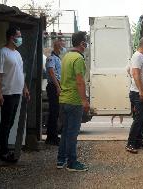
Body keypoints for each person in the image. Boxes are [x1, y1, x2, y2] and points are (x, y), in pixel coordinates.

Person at [0, 26, 30, 162]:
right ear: (11, 37)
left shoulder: (17, 53)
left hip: (16, 93)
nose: (20, 38)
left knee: (10, 123)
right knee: (5, 123)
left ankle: (6, 149)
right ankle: (3, 152)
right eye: (19, 36)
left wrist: (25, 88)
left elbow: (20, 73)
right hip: (7, 93)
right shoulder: (3, 52)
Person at [57, 31, 90, 171]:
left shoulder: (66, 57)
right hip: (74, 101)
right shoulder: (78, 59)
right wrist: (84, 100)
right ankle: (72, 163)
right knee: (72, 134)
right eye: (86, 41)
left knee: (65, 132)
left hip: (63, 100)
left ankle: (61, 160)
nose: (86, 44)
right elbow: (80, 82)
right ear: (82, 43)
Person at [126, 37, 143, 154]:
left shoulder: (142, 57)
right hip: (139, 93)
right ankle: (130, 143)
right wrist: (141, 90)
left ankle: (138, 141)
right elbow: (135, 73)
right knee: (138, 119)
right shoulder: (137, 56)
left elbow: (128, 70)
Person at [45, 39, 62, 145]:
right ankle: (52, 137)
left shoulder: (58, 58)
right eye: (61, 45)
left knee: (55, 113)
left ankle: (52, 136)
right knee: (54, 112)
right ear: (56, 46)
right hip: (53, 87)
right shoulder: (51, 58)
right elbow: (51, 73)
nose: (62, 48)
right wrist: (57, 87)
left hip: (56, 86)